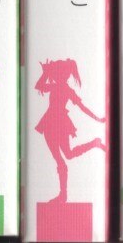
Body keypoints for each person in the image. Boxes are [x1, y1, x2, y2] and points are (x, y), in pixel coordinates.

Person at [34, 59, 106, 203]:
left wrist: (97, 118)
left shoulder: (67, 90)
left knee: (68, 154)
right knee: (60, 160)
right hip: (49, 123)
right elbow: (39, 86)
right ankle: (63, 195)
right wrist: (45, 73)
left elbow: (82, 107)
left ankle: (94, 143)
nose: (57, 76)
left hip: (60, 123)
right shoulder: (54, 87)